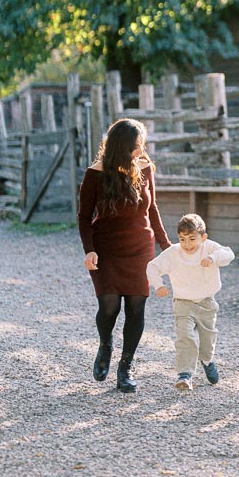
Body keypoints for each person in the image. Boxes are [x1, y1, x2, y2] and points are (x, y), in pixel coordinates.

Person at [78, 117, 171, 393]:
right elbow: (84, 217)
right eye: (137, 147)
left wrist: (167, 247)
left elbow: (152, 210)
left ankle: (126, 366)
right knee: (109, 306)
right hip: (106, 247)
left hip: (140, 246)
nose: (142, 152)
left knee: (135, 307)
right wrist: (89, 249)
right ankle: (105, 344)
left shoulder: (145, 168)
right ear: (121, 147)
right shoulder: (94, 173)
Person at [146, 213, 235, 392]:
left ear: (203, 237)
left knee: (207, 339)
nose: (187, 244)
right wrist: (158, 285)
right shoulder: (174, 253)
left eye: (192, 239)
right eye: (182, 239)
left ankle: (207, 360)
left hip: (206, 301)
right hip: (183, 302)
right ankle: (185, 375)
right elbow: (152, 267)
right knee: (185, 337)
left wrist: (213, 258)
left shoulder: (209, 248)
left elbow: (229, 254)